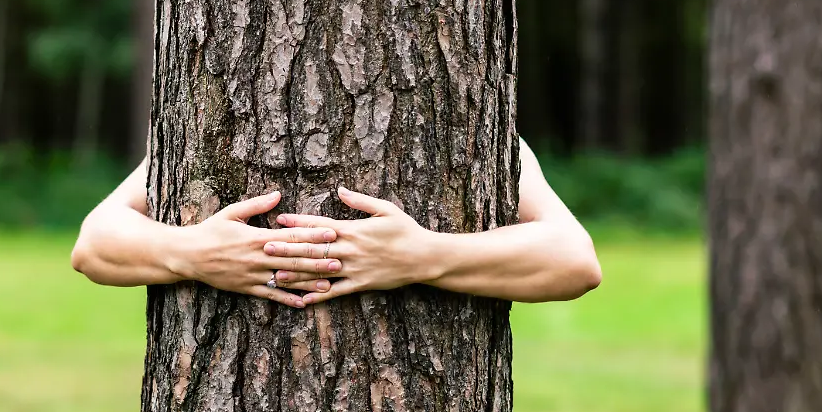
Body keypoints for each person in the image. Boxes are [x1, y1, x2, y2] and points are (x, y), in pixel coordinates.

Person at [71, 139, 601, 307]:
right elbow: (94, 244)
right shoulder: (203, 124)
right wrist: (190, 253)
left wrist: (423, 256)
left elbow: (572, 260)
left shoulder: (478, 130)